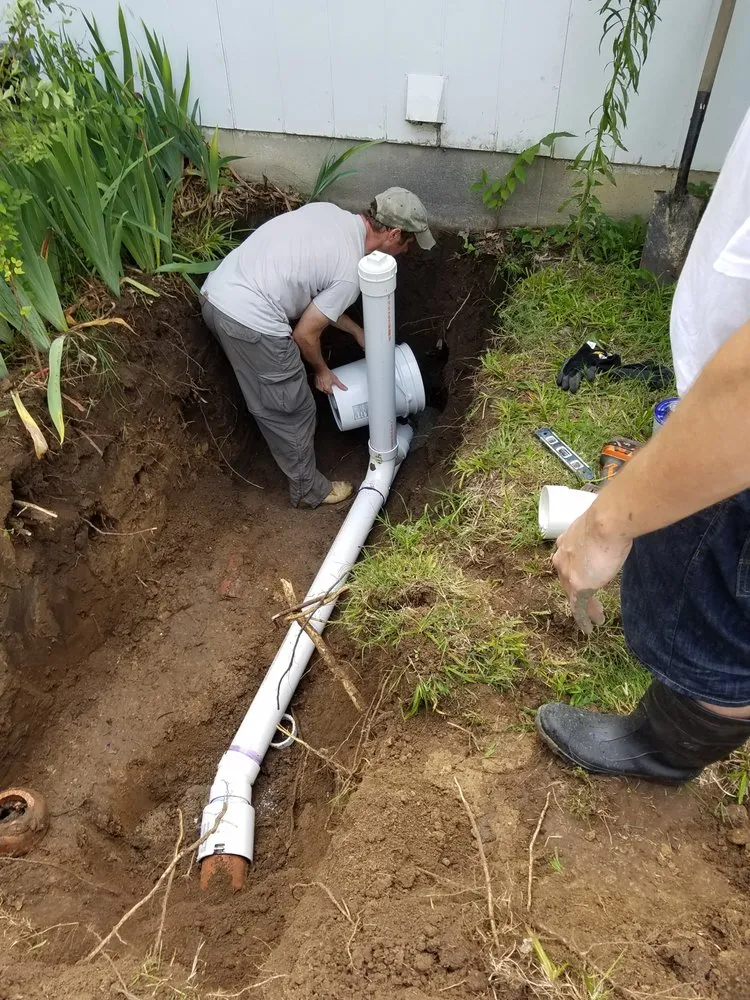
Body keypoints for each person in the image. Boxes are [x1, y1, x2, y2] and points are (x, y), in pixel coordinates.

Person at [535, 106, 750, 783]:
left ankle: (662, 752)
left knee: (714, 634)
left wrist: (608, 521)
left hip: (734, 438)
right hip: (719, 409)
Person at [200, 188, 435, 508]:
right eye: (407, 243)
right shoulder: (351, 273)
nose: (406, 251)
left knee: (269, 393)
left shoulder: (331, 214)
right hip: (250, 321)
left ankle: (268, 416)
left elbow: (315, 295)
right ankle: (308, 490)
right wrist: (322, 371)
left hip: (216, 295)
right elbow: (305, 335)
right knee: (295, 408)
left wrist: (356, 331)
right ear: (393, 234)